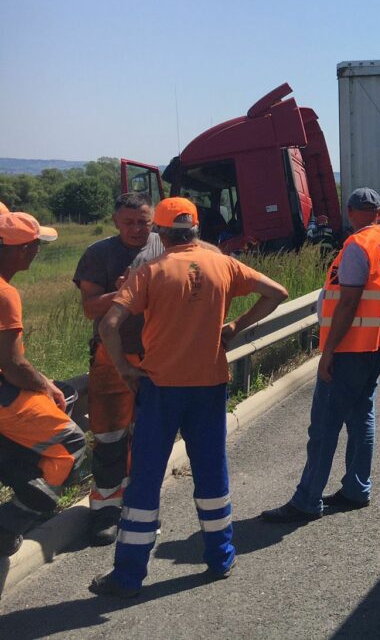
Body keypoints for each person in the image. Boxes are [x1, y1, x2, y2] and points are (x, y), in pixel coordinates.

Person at [89, 197, 287, 598]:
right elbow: (276, 293)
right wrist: (235, 325)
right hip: (210, 385)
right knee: (213, 474)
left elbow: (109, 324)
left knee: (144, 481)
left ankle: (128, 576)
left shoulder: (150, 271)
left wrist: (127, 370)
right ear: (195, 228)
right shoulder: (224, 264)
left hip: (161, 388)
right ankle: (221, 557)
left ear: (161, 233)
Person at [261, 187, 380, 524]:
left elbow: (348, 302)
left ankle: (307, 500)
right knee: (361, 417)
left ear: (351, 211)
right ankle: (357, 489)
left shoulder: (358, 246)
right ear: (379, 212)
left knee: (325, 426)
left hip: (349, 350)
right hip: (378, 344)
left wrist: (328, 352)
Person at [73, 192, 163, 544]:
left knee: (149, 436)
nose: (137, 229)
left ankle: (141, 506)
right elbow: (90, 307)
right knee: (110, 435)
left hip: (157, 355)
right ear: (115, 222)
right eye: (129, 222)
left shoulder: (165, 246)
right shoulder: (98, 254)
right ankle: (106, 511)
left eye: (144, 222)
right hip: (112, 357)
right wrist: (127, 290)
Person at [0, 211, 88, 558]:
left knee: (58, 397)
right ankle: (8, 525)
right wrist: (45, 386)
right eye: (36, 245)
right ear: (23, 250)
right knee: (70, 444)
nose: (38, 251)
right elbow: (13, 364)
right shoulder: (5, 294)